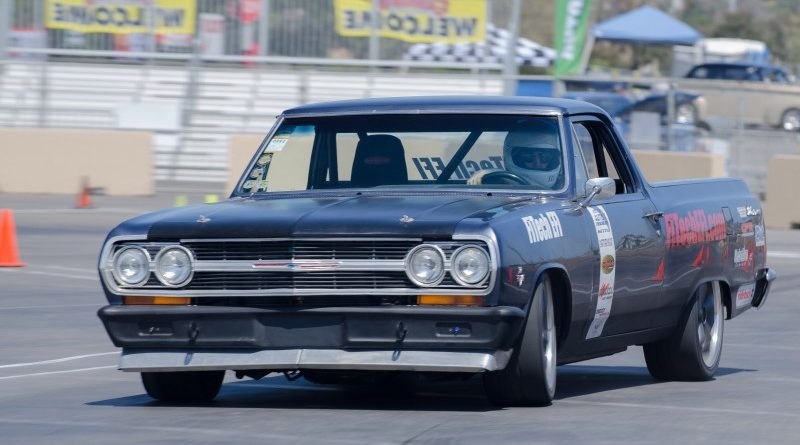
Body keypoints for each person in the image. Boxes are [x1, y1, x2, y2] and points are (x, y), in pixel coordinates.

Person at [502, 120, 562, 189]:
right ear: (516, 158)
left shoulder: (565, 189)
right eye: (528, 157)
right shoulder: (496, 186)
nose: (537, 164)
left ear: (553, 159)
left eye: (545, 157)